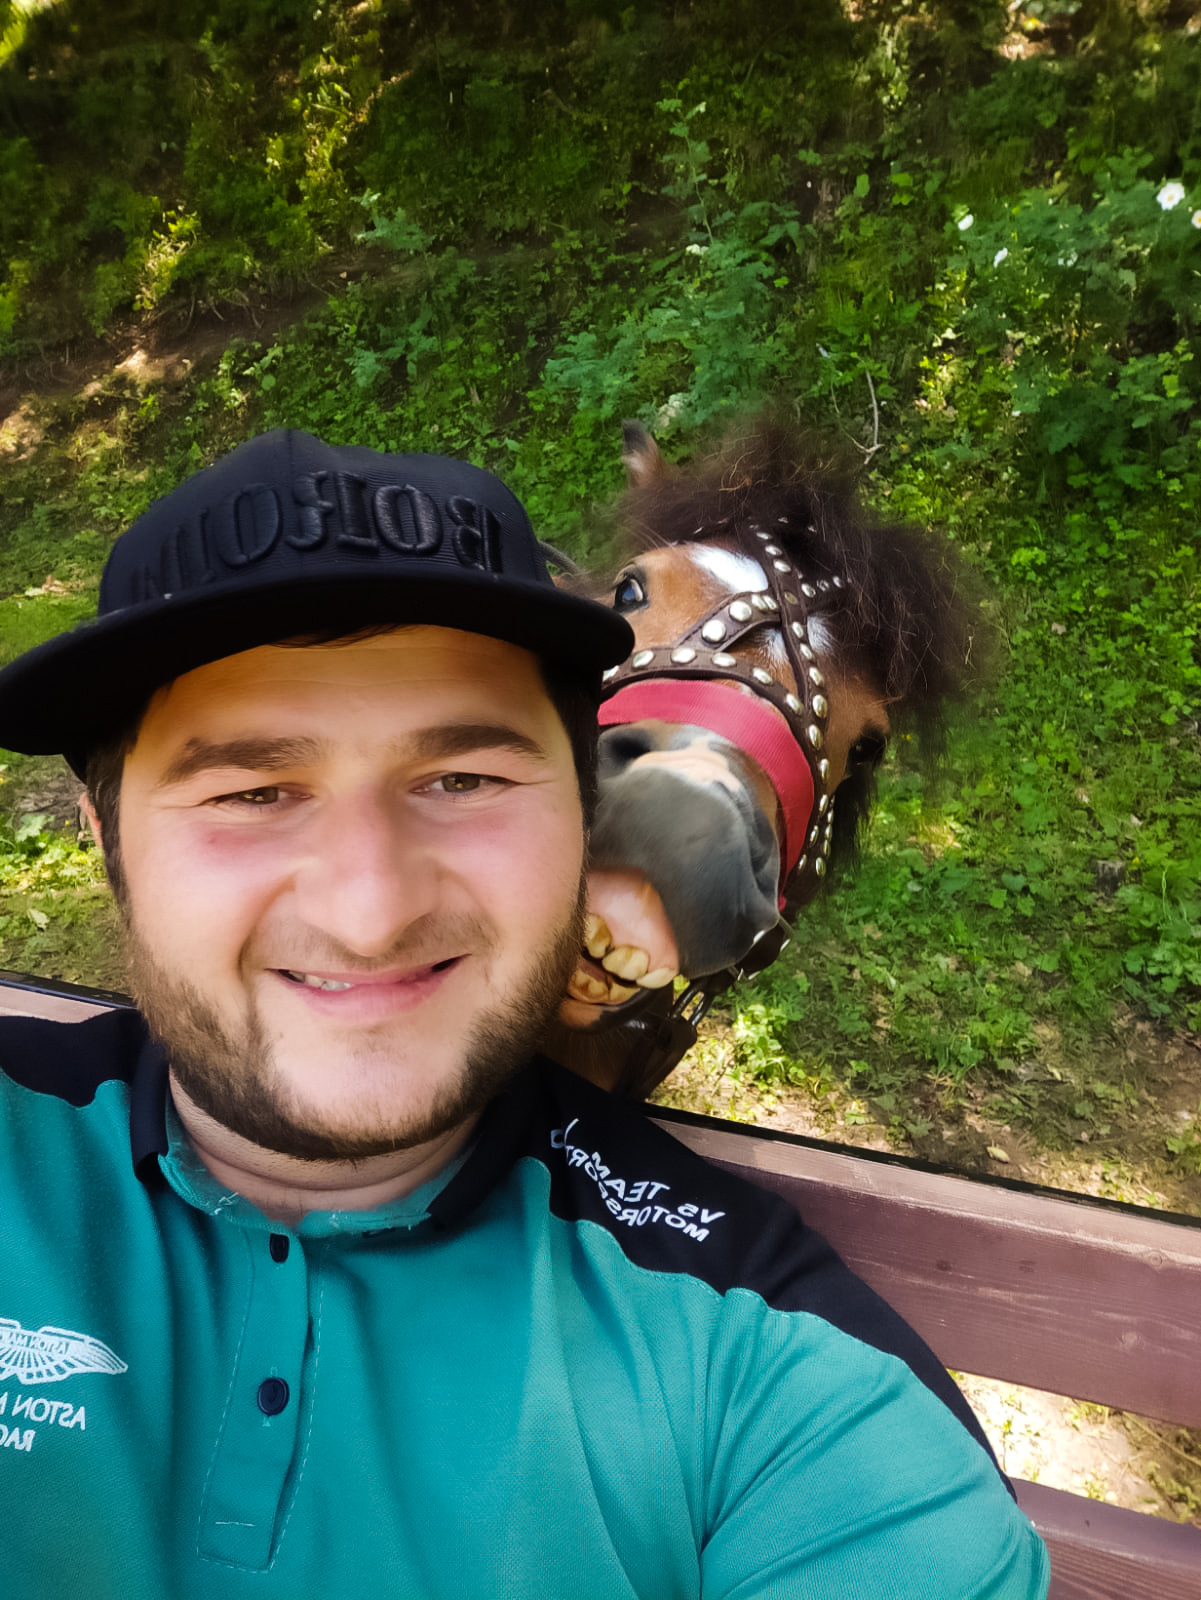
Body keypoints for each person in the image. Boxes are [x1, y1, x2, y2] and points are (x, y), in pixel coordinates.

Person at [0, 430, 1049, 1599]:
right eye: (252, 790)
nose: (369, 915)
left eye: (465, 778)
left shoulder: (789, 1387)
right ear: (105, 836)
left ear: (575, 804)